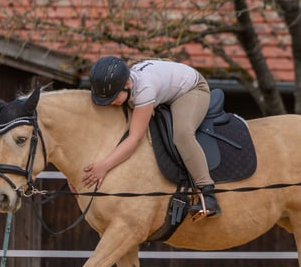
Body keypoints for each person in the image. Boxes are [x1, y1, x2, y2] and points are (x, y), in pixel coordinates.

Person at [82, 56, 221, 218]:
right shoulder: (124, 86)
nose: (110, 103)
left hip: (192, 88)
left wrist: (104, 166)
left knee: (182, 134)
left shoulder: (144, 89)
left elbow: (135, 139)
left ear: (127, 84)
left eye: (113, 98)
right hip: (163, 81)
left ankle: (208, 192)